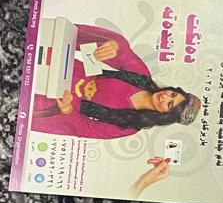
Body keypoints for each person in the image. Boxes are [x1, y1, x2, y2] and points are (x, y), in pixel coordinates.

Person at [32, 24, 201, 142]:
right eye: (172, 94)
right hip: (70, 70)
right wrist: (114, 46)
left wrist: (67, 110)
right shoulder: (142, 77)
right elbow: (124, 51)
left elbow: (86, 129)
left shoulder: (130, 125)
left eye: (169, 104)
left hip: (58, 101)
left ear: (165, 116)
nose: (165, 97)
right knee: (33, 51)